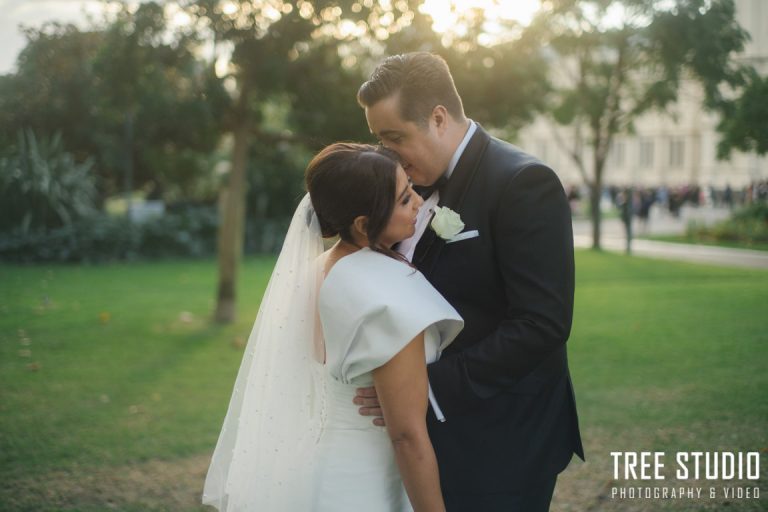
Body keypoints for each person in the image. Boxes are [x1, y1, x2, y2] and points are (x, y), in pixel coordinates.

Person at [354, 52, 584, 511]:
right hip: (425, 443)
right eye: (380, 140)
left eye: (395, 137)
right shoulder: (406, 187)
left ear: (439, 118)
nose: (387, 154)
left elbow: (542, 323)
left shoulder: (523, 183)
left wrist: (420, 387)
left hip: (504, 440)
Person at [202, 142, 464, 511]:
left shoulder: (315, 272)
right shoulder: (387, 291)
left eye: (411, 189)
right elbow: (406, 436)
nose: (419, 202)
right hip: (367, 481)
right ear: (363, 224)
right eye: (405, 199)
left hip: (317, 469)